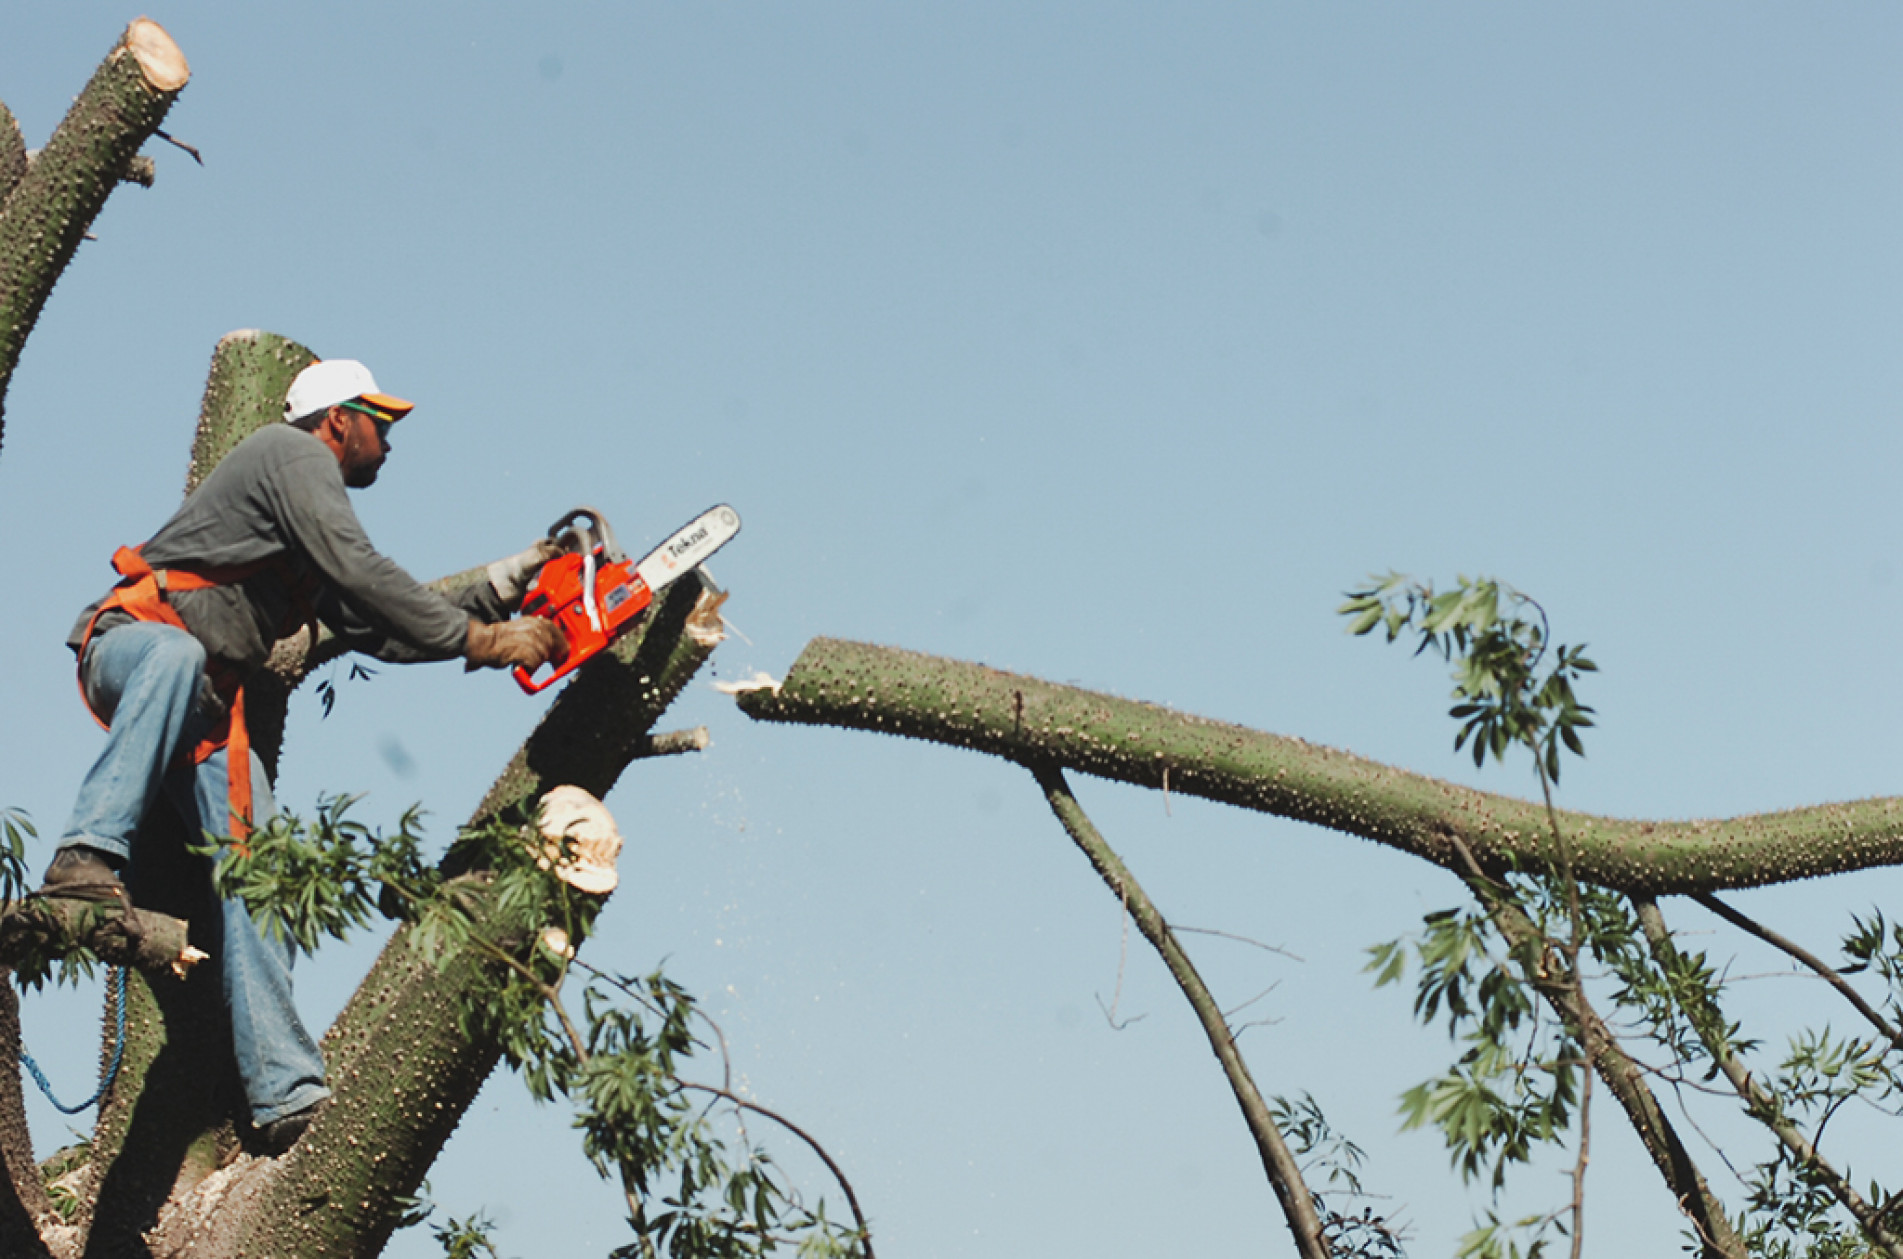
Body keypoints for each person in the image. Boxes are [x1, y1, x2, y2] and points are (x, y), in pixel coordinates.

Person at [43, 358, 567, 1154]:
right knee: (179, 660)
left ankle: (285, 1090)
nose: (387, 444)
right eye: (378, 425)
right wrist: (483, 641)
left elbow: (378, 625)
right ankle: (85, 857)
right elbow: (365, 569)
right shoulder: (290, 457)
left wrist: (505, 584)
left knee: (262, 875)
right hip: (134, 648)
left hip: (208, 713)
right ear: (335, 422)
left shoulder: (298, 544)